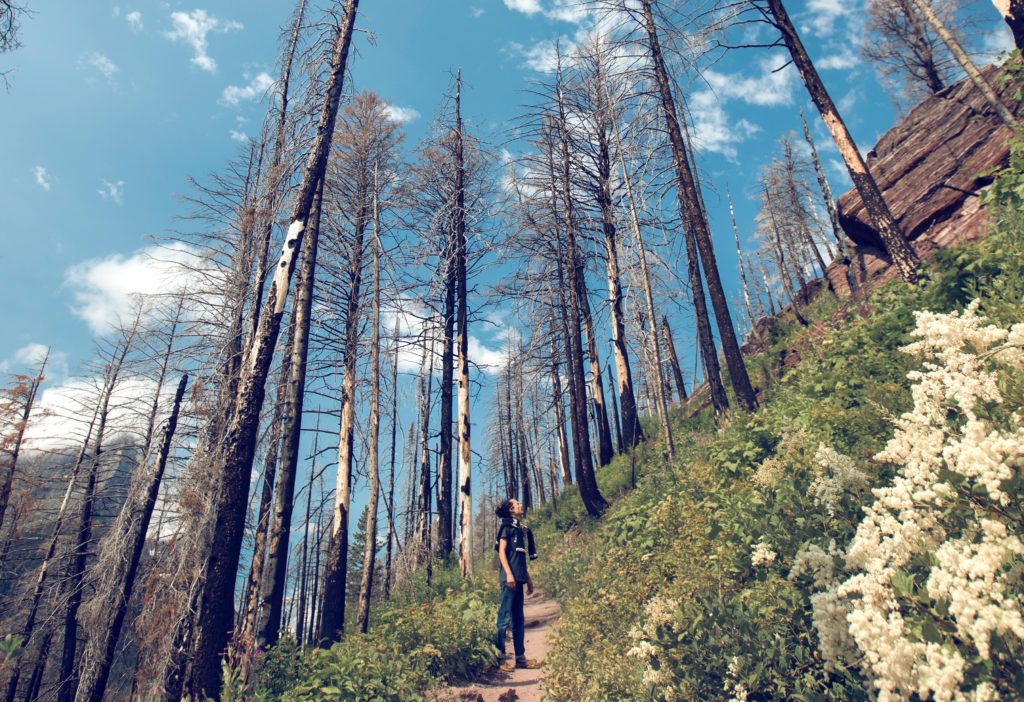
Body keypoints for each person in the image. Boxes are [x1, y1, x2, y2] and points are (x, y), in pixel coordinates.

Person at [493, 497, 541, 672]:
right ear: (511, 510)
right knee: (504, 618)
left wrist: (528, 579)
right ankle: (500, 659)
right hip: (509, 581)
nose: (521, 505)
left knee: (518, 619)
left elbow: (520, 558)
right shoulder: (506, 528)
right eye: (517, 504)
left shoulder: (520, 530)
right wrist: (509, 574)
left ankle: (520, 658)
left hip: (518, 580)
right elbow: (502, 553)